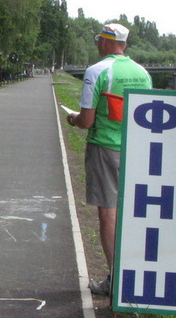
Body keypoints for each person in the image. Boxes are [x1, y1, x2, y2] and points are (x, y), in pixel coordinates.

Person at [65, 22, 152, 296]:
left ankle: (116, 279)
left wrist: (73, 118)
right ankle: (136, 275)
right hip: (137, 149)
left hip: (105, 147)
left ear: (105, 42)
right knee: (133, 212)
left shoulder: (97, 71)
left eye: (98, 40)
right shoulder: (143, 73)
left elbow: (87, 121)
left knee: (109, 213)